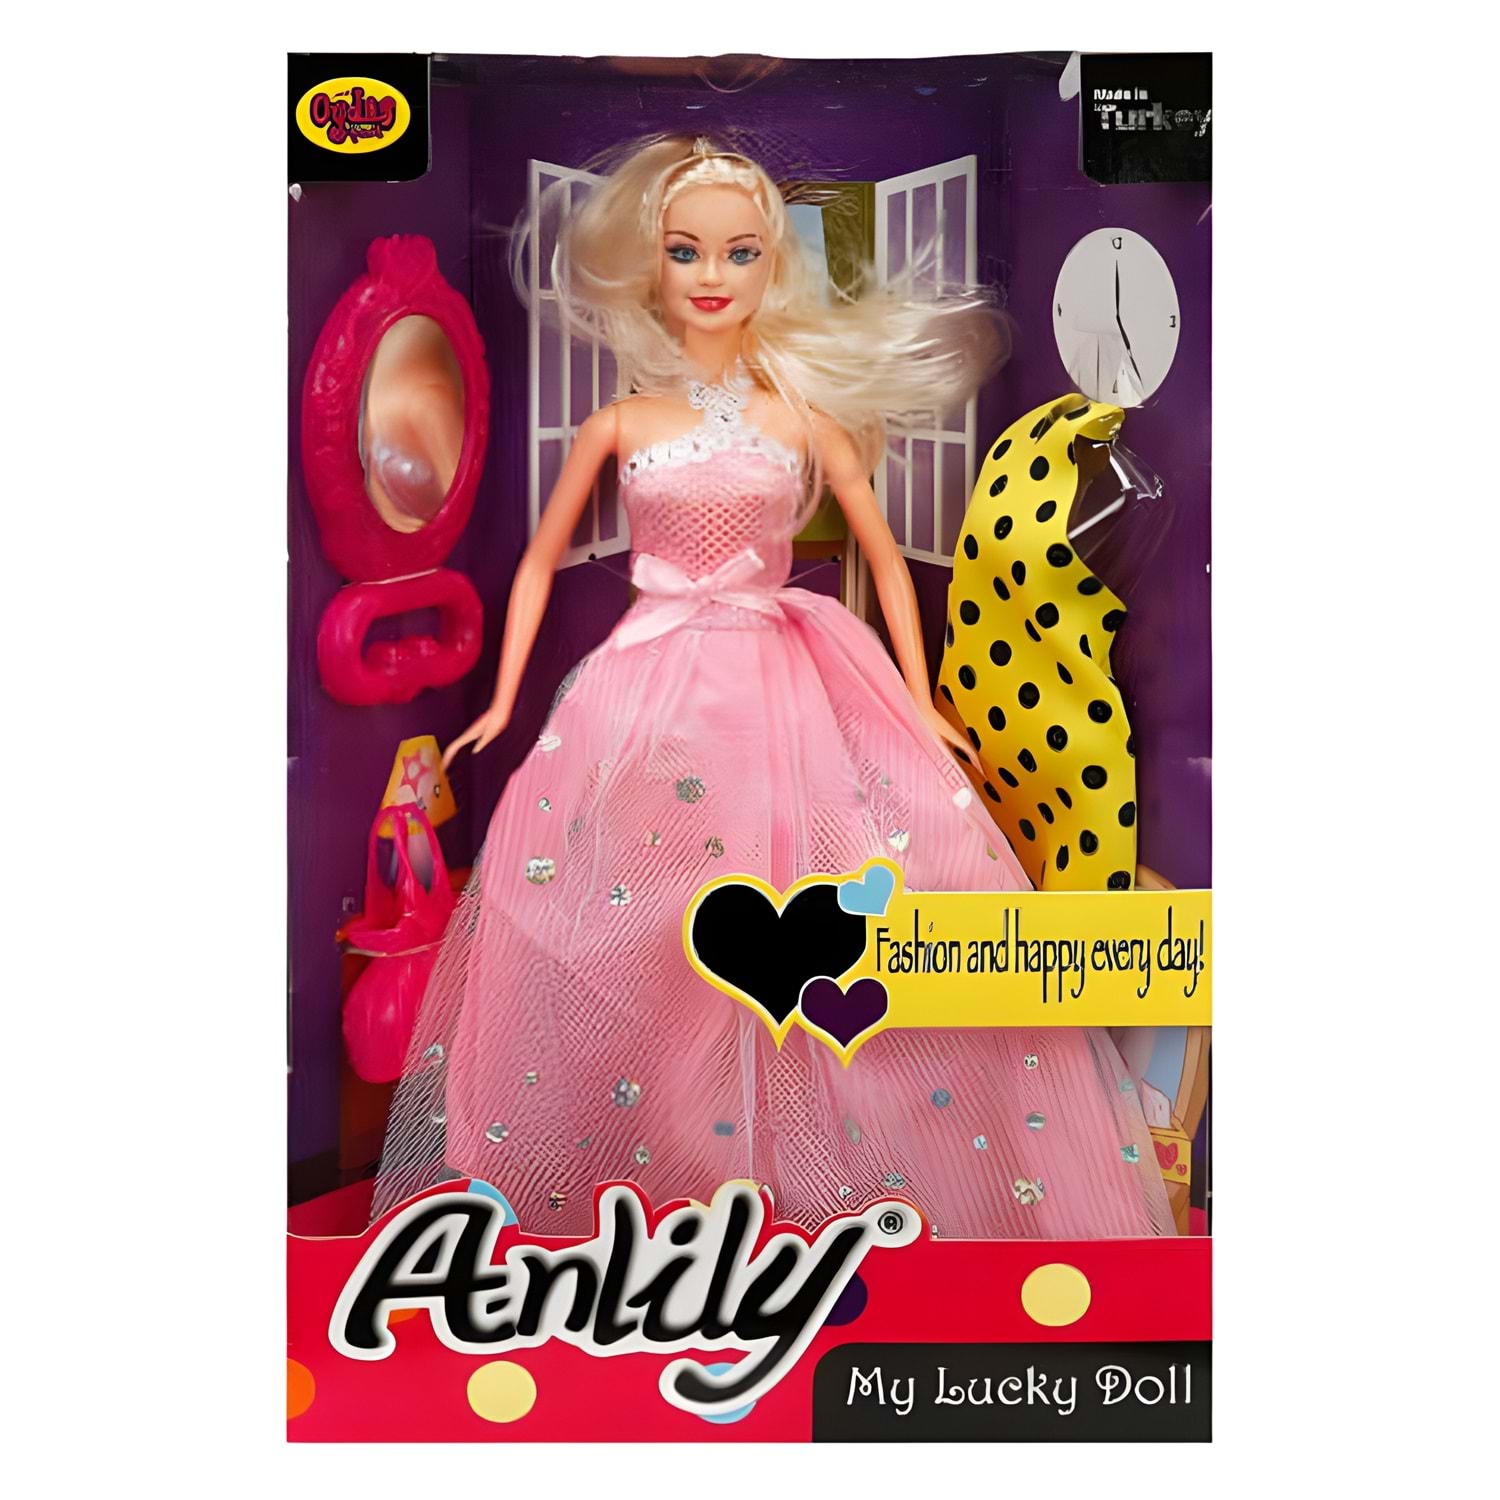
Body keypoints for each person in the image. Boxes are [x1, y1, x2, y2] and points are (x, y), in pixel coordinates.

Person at [371, 134, 1173, 1240]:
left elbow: (886, 558)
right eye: (686, 251)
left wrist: (921, 701)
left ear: (772, 266)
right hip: (647, 693)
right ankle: (663, 1190)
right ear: (648, 264)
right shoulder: (619, 424)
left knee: (827, 904)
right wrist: (507, 703)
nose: (712, 276)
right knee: (639, 929)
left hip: (786, 680)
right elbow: (537, 561)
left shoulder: (801, 419)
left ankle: (819, 1188)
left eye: (740, 252)